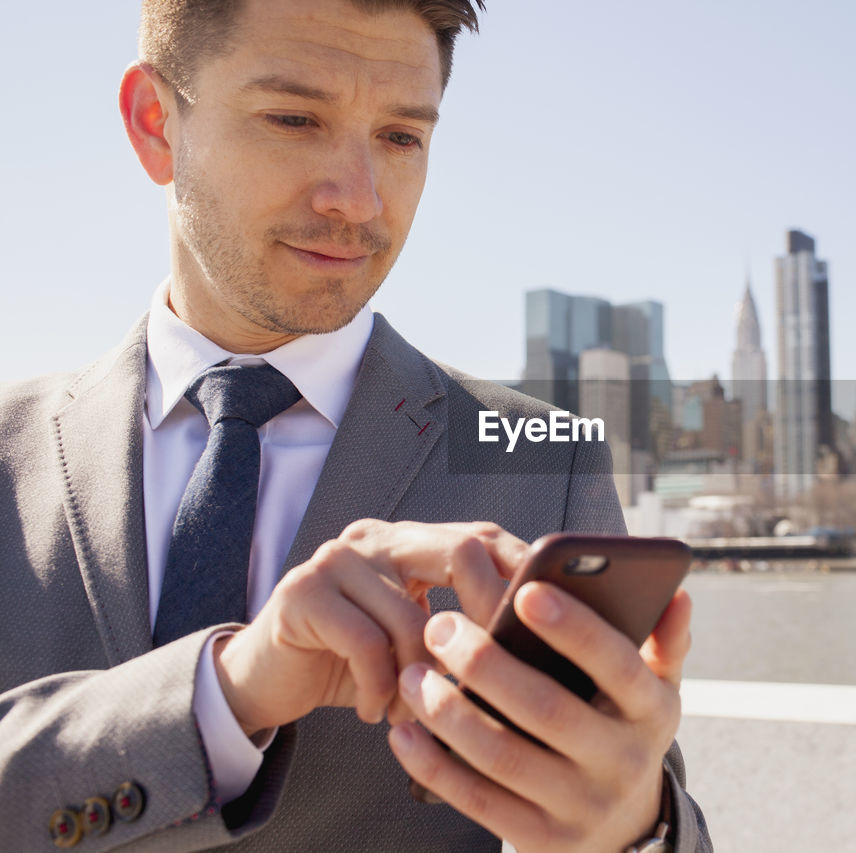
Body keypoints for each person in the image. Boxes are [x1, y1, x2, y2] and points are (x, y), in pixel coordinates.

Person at [0, 0, 713, 850]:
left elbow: (648, 810)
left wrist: (633, 827)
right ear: (157, 123)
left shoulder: (543, 462)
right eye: (295, 119)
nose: (358, 199)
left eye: (402, 137)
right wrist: (227, 692)